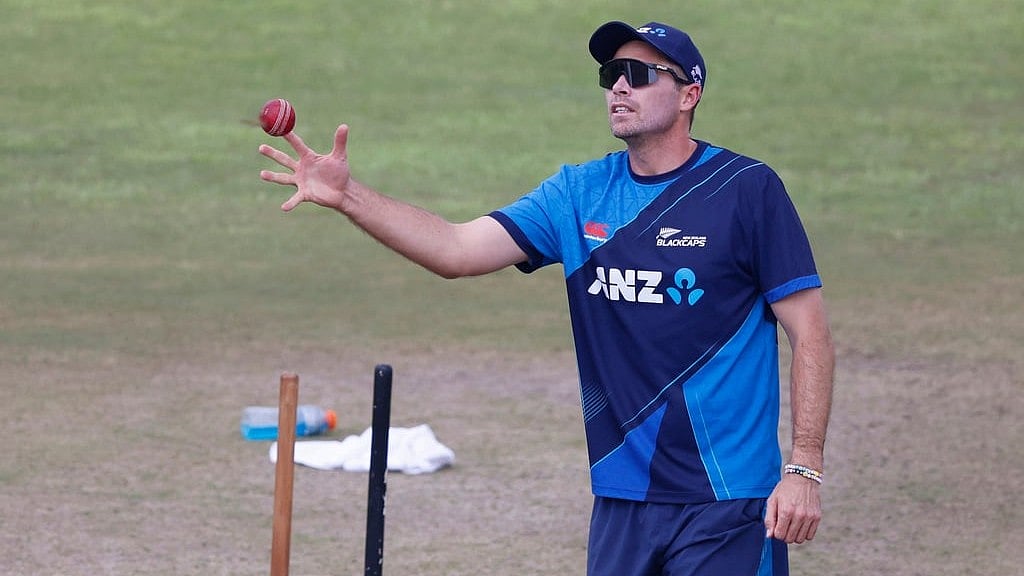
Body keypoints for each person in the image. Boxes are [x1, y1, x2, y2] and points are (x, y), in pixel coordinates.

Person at [259, 19, 834, 576]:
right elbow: (455, 250)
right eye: (611, 74)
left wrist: (803, 468)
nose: (619, 86)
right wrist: (348, 195)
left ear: (690, 93)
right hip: (621, 495)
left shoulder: (745, 190)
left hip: (726, 497)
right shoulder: (577, 194)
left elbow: (810, 333)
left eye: (639, 72)